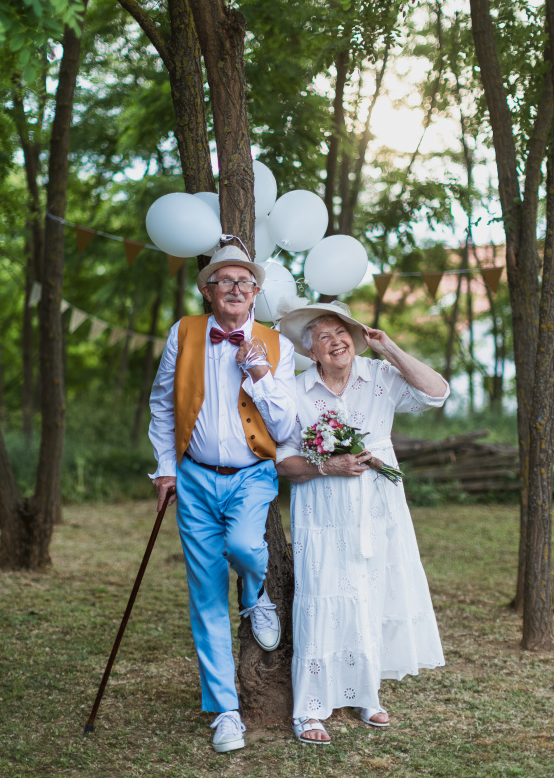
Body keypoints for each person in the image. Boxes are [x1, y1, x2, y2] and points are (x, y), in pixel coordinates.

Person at [276, 299, 448, 745]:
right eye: (323, 337)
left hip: (378, 505)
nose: (336, 341)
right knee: (321, 596)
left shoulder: (381, 376)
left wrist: (388, 347)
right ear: (310, 351)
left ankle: (366, 694)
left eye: (341, 333)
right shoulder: (296, 390)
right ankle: (310, 708)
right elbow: (282, 462)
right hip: (322, 507)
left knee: (371, 593)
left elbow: (437, 393)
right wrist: (327, 466)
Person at [149, 245, 297, 753]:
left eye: (245, 281)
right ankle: (226, 712)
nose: (236, 287)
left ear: (256, 293)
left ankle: (256, 596)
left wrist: (259, 372)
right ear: (207, 290)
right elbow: (163, 402)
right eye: (225, 280)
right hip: (193, 477)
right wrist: (166, 468)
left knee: (245, 547)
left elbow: (287, 426)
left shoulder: (277, 345)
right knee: (206, 594)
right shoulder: (184, 332)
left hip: (253, 475)